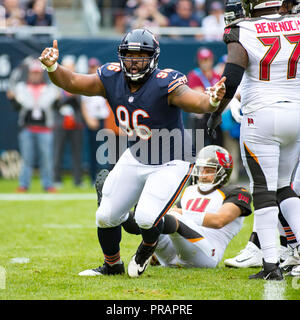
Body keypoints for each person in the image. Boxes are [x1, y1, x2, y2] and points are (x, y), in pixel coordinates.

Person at [39, 28, 226, 277]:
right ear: (121, 56)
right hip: (137, 154)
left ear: (153, 58)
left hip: (172, 160)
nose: (134, 63)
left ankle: (147, 247)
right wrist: (53, 68)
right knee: (105, 215)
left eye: (141, 57)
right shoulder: (111, 77)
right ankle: (112, 265)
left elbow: (194, 100)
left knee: (147, 218)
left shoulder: (165, 82)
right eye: (129, 56)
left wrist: (211, 101)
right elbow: (72, 82)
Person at [206, 0, 300, 280]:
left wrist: (216, 111)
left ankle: (270, 263)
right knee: (285, 188)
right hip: (296, 113)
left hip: (261, 114)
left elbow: (231, 76)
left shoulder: (243, 29)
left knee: (263, 191)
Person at [122, 145, 253, 269]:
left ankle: (143, 245)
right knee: (153, 216)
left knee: (172, 216)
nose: (203, 175)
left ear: (223, 172)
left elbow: (219, 221)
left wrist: (180, 212)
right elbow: (171, 221)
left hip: (208, 254)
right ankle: (125, 217)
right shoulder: (189, 190)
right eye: (201, 170)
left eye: (209, 171)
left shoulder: (237, 192)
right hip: (173, 255)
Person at [6, 58, 58, 192]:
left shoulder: (49, 88)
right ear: (29, 73)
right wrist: (12, 98)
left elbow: (55, 105)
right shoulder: (21, 88)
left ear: (41, 74)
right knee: (26, 158)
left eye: (37, 73)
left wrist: (57, 99)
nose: (35, 75)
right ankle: (24, 184)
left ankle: (48, 184)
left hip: (45, 129)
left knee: (46, 159)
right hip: (27, 128)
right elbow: (18, 107)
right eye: (33, 73)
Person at [52, 56, 84, 188]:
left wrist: (74, 96)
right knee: (57, 151)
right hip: (60, 122)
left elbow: (81, 103)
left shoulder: (79, 81)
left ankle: (78, 180)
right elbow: (53, 104)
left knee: (77, 153)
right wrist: (61, 99)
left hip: (75, 122)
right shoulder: (55, 81)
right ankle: (56, 179)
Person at [81, 57, 110, 185]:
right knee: (93, 150)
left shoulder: (107, 82)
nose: (93, 69)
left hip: (104, 119)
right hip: (93, 120)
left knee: (108, 150)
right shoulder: (86, 82)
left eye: (95, 66)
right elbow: (83, 104)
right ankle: (93, 177)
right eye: (91, 67)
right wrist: (89, 120)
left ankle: (107, 177)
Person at [187, 47, 222, 147]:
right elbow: (199, 95)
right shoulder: (194, 75)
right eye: (203, 60)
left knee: (217, 145)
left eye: (207, 59)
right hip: (200, 116)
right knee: (197, 146)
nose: (205, 63)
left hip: (214, 115)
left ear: (211, 60)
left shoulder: (216, 75)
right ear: (199, 61)